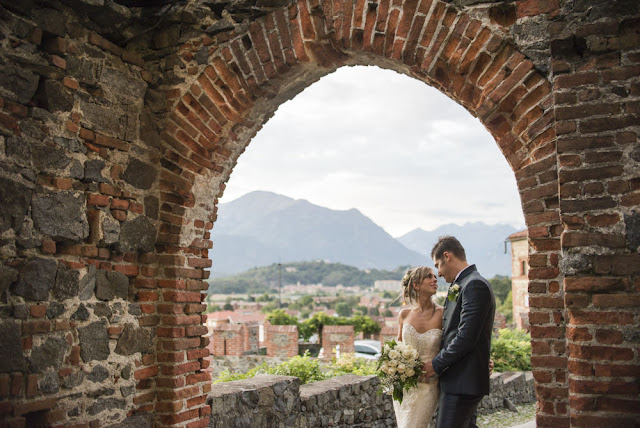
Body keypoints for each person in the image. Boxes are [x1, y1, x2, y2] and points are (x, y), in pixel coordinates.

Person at [422, 236, 496, 428]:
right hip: (460, 379)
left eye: (438, 264)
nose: (438, 273)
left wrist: (436, 364)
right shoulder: (465, 283)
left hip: (462, 382)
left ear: (447, 256)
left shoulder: (474, 285)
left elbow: (466, 337)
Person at [393, 266, 443, 428]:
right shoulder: (404, 315)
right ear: (416, 285)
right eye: (429, 277)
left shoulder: (443, 314)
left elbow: (453, 346)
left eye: (435, 276)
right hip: (404, 387)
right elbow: (397, 347)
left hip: (429, 385)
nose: (435, 279)